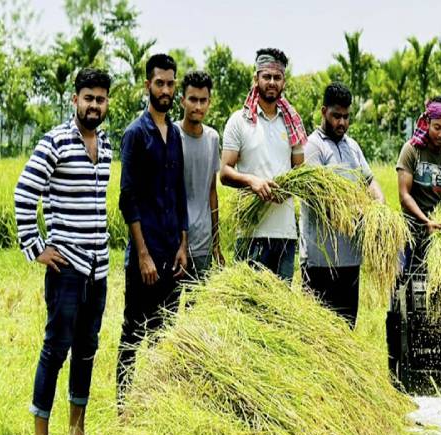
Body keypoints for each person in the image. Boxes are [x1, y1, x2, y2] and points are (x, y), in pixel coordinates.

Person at [13, 68, 112, 435]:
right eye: (88, 97)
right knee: (56, 349)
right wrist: (36, 247)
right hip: (65, 268)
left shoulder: (104, 146)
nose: (94, 105)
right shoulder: (54, 142)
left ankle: (77, 431)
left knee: (87, 351)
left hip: (98, 268)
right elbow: (24, 194)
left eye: (100, 99)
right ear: (75, 100)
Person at [117, 54, 188, 406]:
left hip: (172, 252)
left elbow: (179, 194)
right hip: (144, 257)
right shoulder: (135, 134)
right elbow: (127, 199)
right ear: (148, 85)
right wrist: (142, 255)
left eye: (170, 83)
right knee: (133, 333)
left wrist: (183, 244)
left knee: (165, 336)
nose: (165, 89)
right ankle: (124, 407)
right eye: (159, 83)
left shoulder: (174, 134)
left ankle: (158, 407)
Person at [301, 82, 384, 327]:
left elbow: (370, 181)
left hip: (350, 259)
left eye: (346, 117)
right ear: (323, 111)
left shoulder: (352, 146)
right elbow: (321, 200)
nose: (342, 123)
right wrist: (356, 213)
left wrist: (378, 207)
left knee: (347, 330)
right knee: (318, 335)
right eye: (336, 116)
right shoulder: (313, 147)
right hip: (320, 260)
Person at [221, 48, 307, 281]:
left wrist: (288, 189)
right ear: (256, 78)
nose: (271, 82)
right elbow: (225, 172)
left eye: (277, 77)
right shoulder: (239, 121)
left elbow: (300, 173)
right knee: (249, 308)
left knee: (279, 312)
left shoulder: (292, 123)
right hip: (251, 233)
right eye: (266, 76)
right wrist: (252, 181)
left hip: (286, 234)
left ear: (284, 82)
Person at [396, 95, 441, 273]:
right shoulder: (411, 150)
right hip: (411, 234)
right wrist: (426, 221)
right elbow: (404, 196)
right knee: (406, 283)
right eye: (437, 128)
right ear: (427, 122)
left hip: (438, 235)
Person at [176, 70, 224, 280]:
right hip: (175, 241)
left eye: (202, 100)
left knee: (198, 308)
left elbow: (212, 191)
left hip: (203, 241)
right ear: (182, 101)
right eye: (192, 99)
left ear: (209, 102)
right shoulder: (171, 135)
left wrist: (216, 243)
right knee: (171, 308)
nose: (197, 106)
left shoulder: (213, 138)